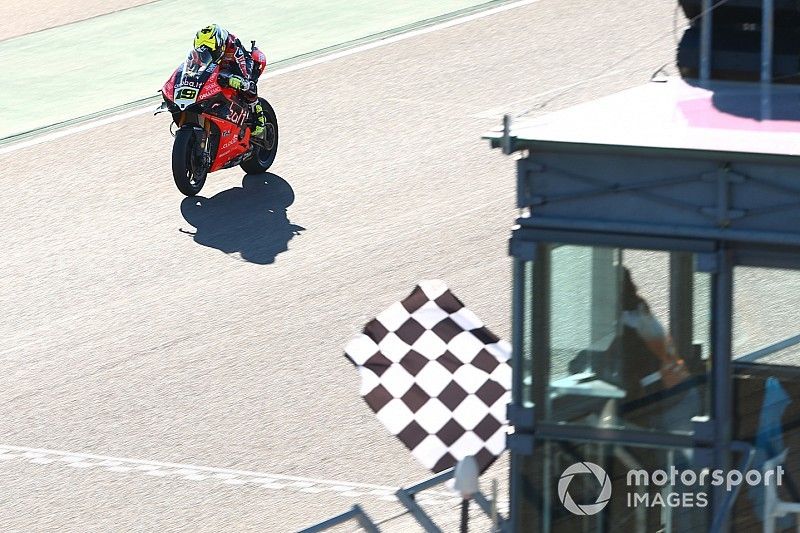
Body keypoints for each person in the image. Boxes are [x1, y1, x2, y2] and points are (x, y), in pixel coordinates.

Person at [192, 24, 268, 139]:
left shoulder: (233, 48)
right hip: (220, 67)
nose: (207, 51)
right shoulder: (203, 50)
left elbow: (244, 75)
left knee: (247, 85)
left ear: (219, 44)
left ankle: (259, 117)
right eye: (203, 48)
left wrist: (238, 80)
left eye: (210, 48)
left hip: (238, 65)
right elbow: (192, 67)